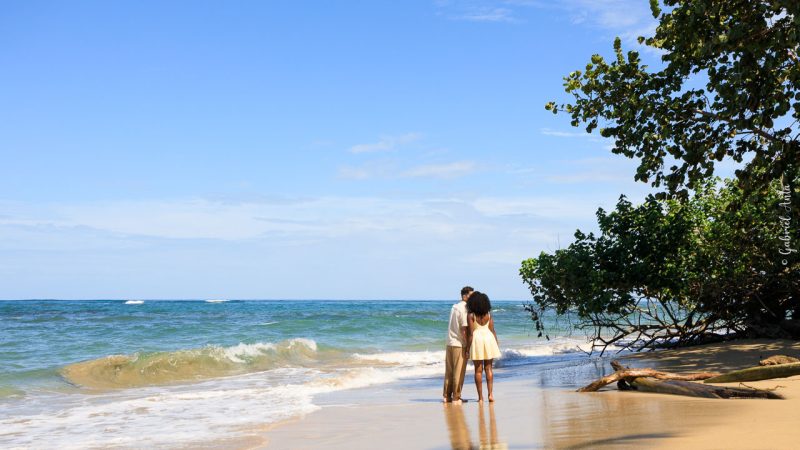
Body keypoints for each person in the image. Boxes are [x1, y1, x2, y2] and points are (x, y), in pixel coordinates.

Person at [466, 291, 501, 402]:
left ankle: (480, 398)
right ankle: (490, 395)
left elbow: (471, 333)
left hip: (477, 340)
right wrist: (496, 343)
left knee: (478, 370)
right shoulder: (489, 314)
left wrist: (467, 348)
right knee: (489, 368)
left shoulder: (471, 315)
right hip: (488, 338)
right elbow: (492, 330)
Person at [443, 286, 473, 404]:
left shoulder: (454, 307)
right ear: (465, 296)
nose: (472, 298)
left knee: (449, 371)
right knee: (459, 372)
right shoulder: (465, 309)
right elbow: (464, 329)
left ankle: (446, 396)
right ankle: (456, 396)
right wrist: (467, 345)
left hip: (449, 342)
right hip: (459, 343)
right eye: (471, 295)